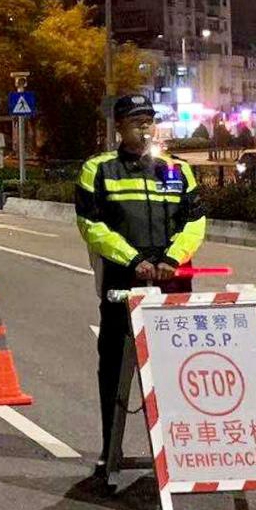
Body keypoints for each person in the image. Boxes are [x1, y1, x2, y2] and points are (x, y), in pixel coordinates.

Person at [75, 94, 206, 475]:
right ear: (118, 126)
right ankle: (110, 450)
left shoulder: (176, 169)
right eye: (135, 121)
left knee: (176, 368)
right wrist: (134, 260)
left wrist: (171, 259)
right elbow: (91, 224)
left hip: (172, 283)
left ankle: (178, 452)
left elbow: (195, 221)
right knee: (115, 367)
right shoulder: (99, 170)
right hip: (123, 281)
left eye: (148, 119)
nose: (144, 126)